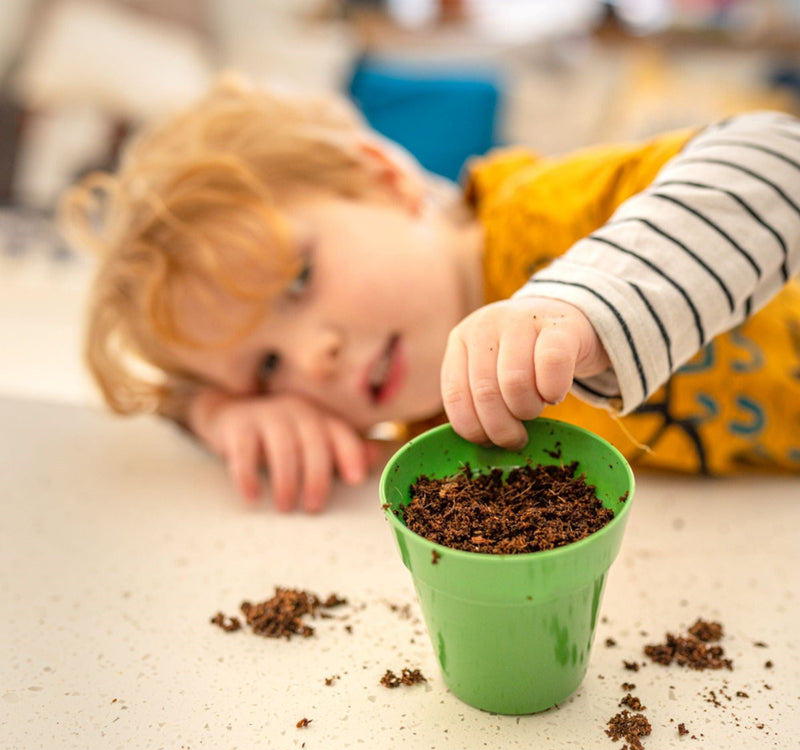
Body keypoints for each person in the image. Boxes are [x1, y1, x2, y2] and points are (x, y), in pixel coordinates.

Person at [60, 74, 800, 513]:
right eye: (266, 367)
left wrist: (585, 301)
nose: (312, 358)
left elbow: (777, 157)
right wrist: (219, 410)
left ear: (385, 181)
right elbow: (170, 397)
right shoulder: (416, 420)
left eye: (298, 281)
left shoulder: (539, 211)